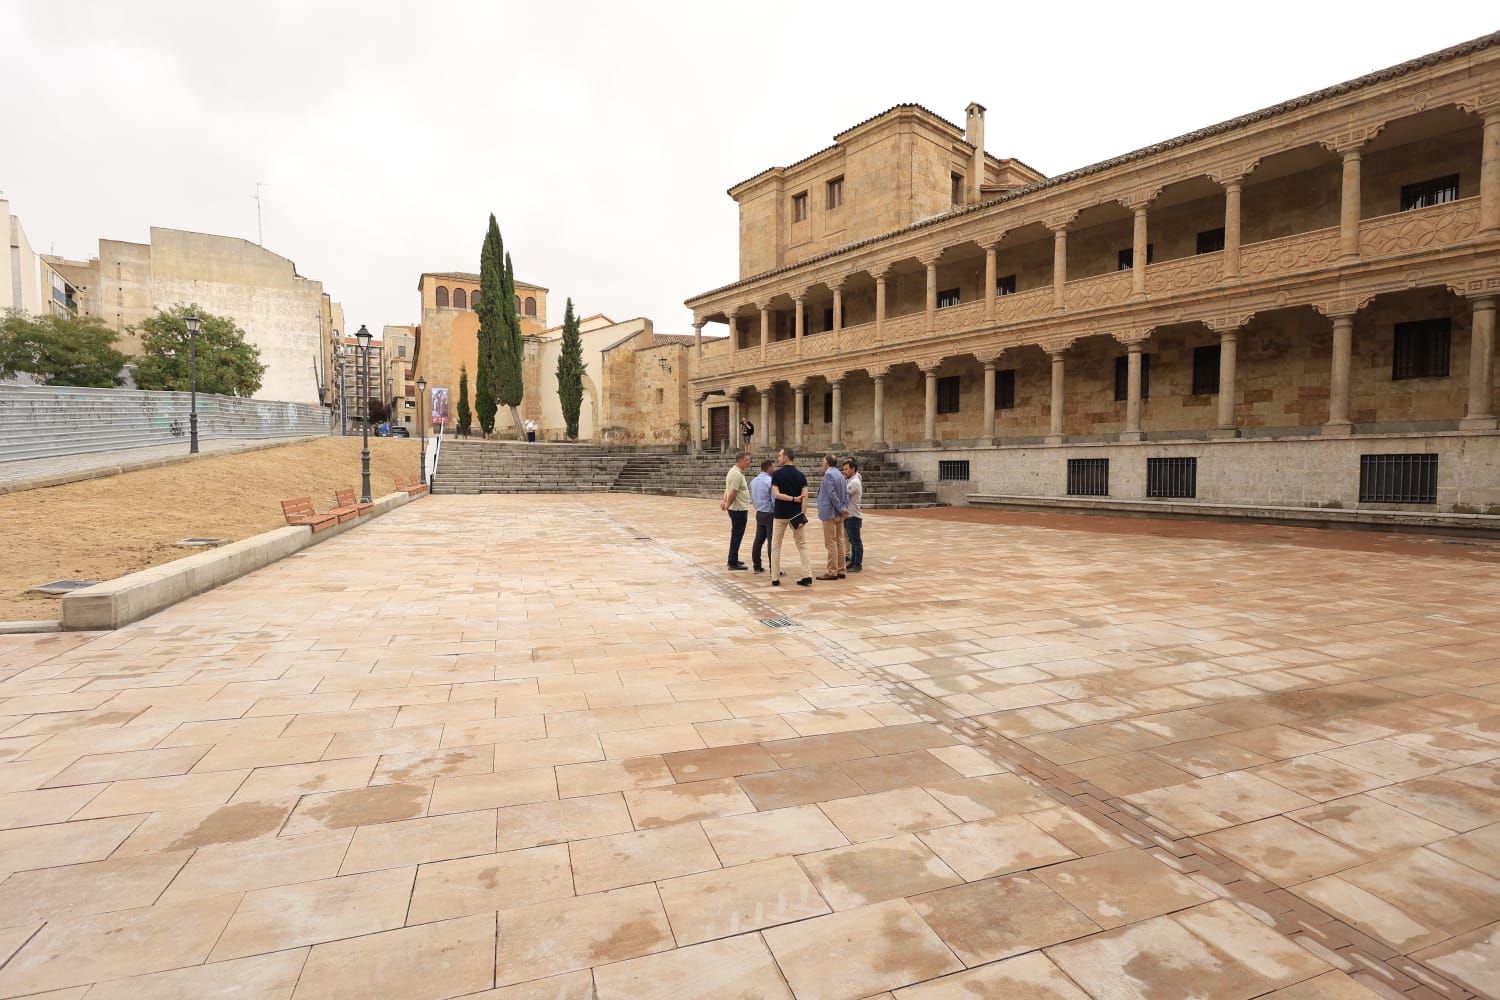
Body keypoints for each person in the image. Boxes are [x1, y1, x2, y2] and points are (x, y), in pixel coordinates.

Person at [769, 447, 812, 587]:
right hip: (796, 515)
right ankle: (807, 575)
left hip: (780, 514)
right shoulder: (801, 476)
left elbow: (776, 494)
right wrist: (802, 515)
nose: (778, 458)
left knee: (776, 546)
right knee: (802, 545)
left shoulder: (777, 474)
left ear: (786, 457)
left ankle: (775, 577)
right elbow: (805, 498)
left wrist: (793, 499)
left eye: (780, 455)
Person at [816, 453, 850, 581]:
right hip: (839, 513)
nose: (822, 463)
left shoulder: (829, 474)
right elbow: (846, 493)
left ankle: (832, 571)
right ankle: (841, 570)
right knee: (840, 541)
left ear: (827, 463)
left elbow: (831, 494)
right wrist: (844, 508)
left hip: (830, 513)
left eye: (823, 461)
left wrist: (841, 508)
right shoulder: (841, 475)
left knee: (830, 542)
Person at [720, 451, 752, 571]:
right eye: (747, 460)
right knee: (737, 536)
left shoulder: (734, 472)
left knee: (736, 535)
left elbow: (727, 490)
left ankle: (733, 558)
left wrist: (725, 501)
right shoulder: (737, 474)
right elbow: (732, 492)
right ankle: (732, 562)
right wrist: (727, 504)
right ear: (740, 461)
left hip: (737, 508)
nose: (749, 462)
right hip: (738, 509)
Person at [749, 458, 775, 573]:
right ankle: (773, 567)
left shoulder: (753, 481)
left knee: (759, 540)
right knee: (771, 541)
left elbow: (753, 498)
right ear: (769, 467)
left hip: (759, 512)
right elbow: (774, 500)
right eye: (772, 467)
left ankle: (757, 565)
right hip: (769, 513)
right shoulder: (770, 481)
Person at [842, 458, 864, 573]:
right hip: (849, 516)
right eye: (843, 469)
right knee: (852, 540)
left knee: (856, 541)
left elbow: (844, 494)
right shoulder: (850, 480)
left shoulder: (854, 482)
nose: (844, 471)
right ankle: (853, 562)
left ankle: (858, 564)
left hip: (853, 516)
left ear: (853, 469)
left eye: (846, 469)